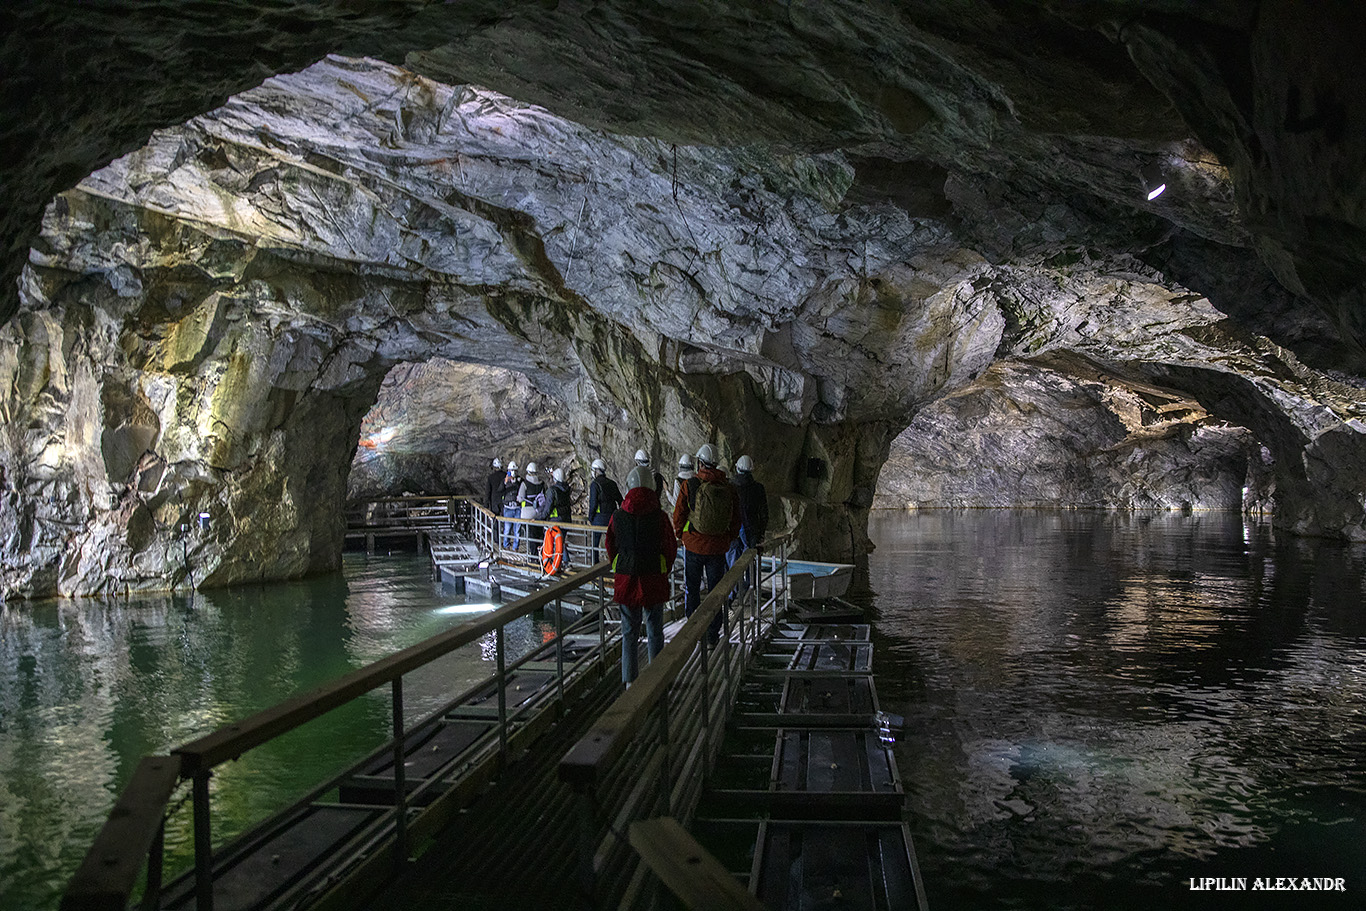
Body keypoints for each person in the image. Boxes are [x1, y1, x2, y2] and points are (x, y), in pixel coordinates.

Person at [606, 465, 677, 685]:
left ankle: (629, 682)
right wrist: (664, 567)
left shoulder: (618, 516)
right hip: (653, 577)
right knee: (655, 630)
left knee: (629, 633)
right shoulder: (660, 517)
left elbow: (610, 545)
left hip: (626, 579)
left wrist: (620, 563)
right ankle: (656, 680)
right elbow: (670, 547)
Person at [672, 443, 741, 645]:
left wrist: (681, 536)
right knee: (715, 592)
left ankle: (693, 632)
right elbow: (736, 518)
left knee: (692, 589)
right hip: (718, 548)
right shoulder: (728, 488)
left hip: (693, 545)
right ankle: (712, 635)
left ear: (699, 462)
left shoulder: (690, 485)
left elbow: (679, 514)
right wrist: (728, 538)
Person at [727, 454, 769, 604]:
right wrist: (761, 534)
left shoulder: (730, 486)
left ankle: (731, 597)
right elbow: (764, 514)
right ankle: (752, 595)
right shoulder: (758, 488)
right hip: (751, 531)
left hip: (732, 530)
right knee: (750, 562)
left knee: (732, 565)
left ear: (737, 468)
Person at [587, 458, 623, 562]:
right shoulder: (612, 483)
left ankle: (595, 567)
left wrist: (590, 518)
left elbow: (593, 503)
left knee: (594, 545)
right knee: (613, 543)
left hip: (599, 518)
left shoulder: (595, 485)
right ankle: (616, 564)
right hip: (613, 517)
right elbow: (620, 501)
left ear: (596, 471)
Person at [515, 462, 545, 551]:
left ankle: (532, 556)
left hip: (527, 514)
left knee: (531, 536)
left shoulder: (525, 484)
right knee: (539, 535)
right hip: (539, 513)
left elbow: (520, 498)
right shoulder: (541, 484)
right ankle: (541, 554)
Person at [500, 460, 521, 549]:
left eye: (514, 470)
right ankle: (506, 545)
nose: (513, 472)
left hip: (517, 508)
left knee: (517, 530)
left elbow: (521, 490)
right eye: (511, 470)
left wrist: (515, 481)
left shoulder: (520, 480)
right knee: (507, 529)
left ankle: (515, 547)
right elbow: (500, 491)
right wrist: (505, 482)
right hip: (508, 508)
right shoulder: (505, 481)